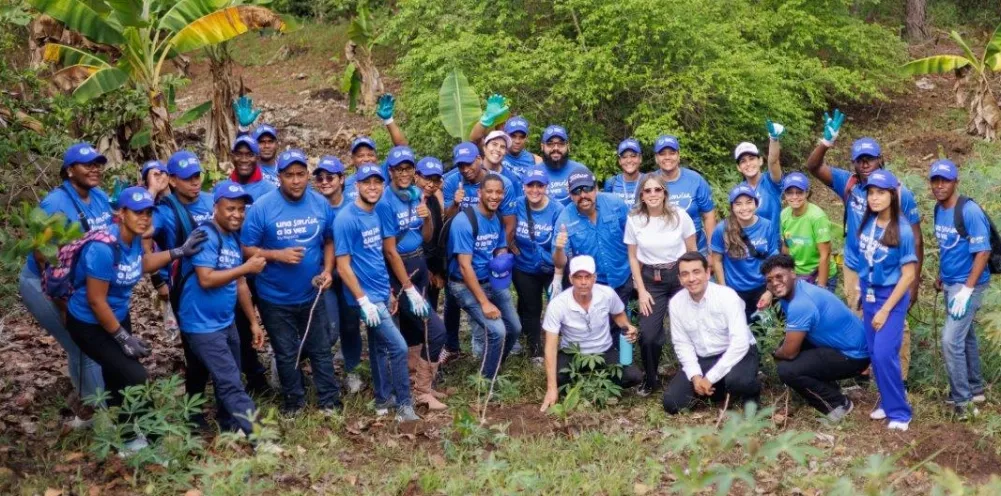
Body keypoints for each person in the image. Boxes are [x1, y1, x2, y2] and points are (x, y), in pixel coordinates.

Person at [66, 187, 203, 453]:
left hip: (116, 315)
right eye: (137, 212)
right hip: (88, 323)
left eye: (148, 212)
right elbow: (96, 300)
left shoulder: (134, 240)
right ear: (120, 213)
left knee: (117, 377)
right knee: (135, 376)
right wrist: (122, 337)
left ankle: (128, 439)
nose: (144, 218)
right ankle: (156, 440)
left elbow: (142, 263)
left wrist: (179, 251)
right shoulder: (103, 248)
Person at [805, 110, 922, 381]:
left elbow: (916, 238)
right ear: (854, 164)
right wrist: (825, 142)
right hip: (855, 266)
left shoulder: (899, 193)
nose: (865, 164)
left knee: (896, 320)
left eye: (870, 159)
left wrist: (913, 281)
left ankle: (899, 377)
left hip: (890, 269)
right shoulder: (849, 184)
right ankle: (869, 370)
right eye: (860, 160)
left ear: (881, 159)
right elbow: (812, 167)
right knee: (862, 316)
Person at [241, 149, 341, 415]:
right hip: (274, 297)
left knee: (321, 349)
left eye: (300, 174)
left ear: (308, 175)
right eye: (289, 175)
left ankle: (329, 400)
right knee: (285, 352)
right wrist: (276, 255)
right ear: (279, 176)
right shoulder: (263, 207)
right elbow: (246, 248)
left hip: (312, 293)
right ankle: (294, 402)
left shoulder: (320, 204)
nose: (295, 181)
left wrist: (328, 270)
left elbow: (329, 240)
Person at [18, 142, 112, 426]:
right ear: (70, 171)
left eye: (98, 163)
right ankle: (103, 421)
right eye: (87, 164)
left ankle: (87, 409)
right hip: (45, 285)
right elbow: (43, 256)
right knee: (82, 345)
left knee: (84, 346)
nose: (94, 169)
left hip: (77, 283)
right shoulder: (54, 204)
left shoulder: (99, 196)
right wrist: (61, 305)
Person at [176, 182, 267, 436]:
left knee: (227, 375)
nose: (237, 214)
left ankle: (229, 425)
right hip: (202, 324)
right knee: (230, 381)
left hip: (225, 321)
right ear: (215, 207)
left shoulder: (232, 237)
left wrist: (252, 321)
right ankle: (258, 434)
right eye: (230, 208)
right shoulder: (206, 236)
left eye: (240, 209)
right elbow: (206, 278)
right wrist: (247, 268)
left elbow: (240, 285)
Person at [335, 163, 421, 422]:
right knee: (399, 347)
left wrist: (390, 292)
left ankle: (383, 399)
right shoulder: (346, 219)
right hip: (366, 298)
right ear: (357, 186)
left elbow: (378, 256)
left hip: (382, 291)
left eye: (377, 182)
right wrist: (363, 301)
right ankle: (405, 406)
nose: (372, 187)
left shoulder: (376, 213)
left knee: (378, 348)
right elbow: (343, 265)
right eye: (366, 183)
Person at [376, 146, 448, 410]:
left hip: (418, 263)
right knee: (436, 330)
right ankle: (422, 390)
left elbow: (426, 237)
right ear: (391, 172)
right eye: (399, 169)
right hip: (401, 272)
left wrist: (426, 218)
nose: (404, 174)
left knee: (415, 330)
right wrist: (406, 287)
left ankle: (413, 383)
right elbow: (390, 250)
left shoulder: (416, 195)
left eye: (408, 169)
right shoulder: (385, 203)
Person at [763, 254, 869, 422]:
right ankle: (829, 388)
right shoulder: (795, 290)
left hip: (854, 356)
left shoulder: (800, 303)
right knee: (788, 348)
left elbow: (789, 353)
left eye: (779, 276)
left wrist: (777, 353)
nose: (774, 282)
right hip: (844, 346)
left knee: (787, 368)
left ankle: (837, 404)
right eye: (769, 280)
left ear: (792, 273)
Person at [441, 142, 518, 358]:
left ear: (479, 159)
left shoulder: (501, 184)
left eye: (469, 164)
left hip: (487, 259)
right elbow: (447, 220)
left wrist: (500, 258)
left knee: (504, 323)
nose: (465, 169)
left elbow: (507, 223)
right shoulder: (452, 182)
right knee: (454, 304)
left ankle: (491, 358)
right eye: (461, 166)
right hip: (460, 256)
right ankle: (459, 350)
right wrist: (455, 204)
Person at [539, 255, 643, 412]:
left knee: (634, 376)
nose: (583, 282)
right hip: (573, 354)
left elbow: (618, 314)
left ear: (594, 278)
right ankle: (591, 383)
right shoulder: (558, 304)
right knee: (558, 378)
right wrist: (551, 388)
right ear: (570, 278)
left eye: (587, 277)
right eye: (578, 277)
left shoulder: (607, 294)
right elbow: (551, 347)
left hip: (604, 351)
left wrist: (627, 326)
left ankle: (597, 383)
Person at [625, 173, 697, 396]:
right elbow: (633, 257)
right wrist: (642, 290)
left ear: (665, 193)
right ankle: (651, 377)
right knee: (648, 334)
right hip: (650, 280)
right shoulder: (635, 219)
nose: (653, 194)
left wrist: (691, 282)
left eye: (658, 190)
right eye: (648, 191)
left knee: (691, 325)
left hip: (679, 276)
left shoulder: (679, 216)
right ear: (642, 196)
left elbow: (692, 251)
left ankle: (694, 373)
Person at [929, 159, 991, 417]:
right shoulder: (938, 209)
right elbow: (950, 248)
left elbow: (983, 251)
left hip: (969, 285)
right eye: (935, 180)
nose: (940, 185)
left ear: (956, 182)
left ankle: (962, 402)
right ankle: (976, 389)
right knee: (965, 337)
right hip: (951, 283)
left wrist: (966, 290)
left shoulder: (969, 211)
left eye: (945, 180)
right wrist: (943, 277)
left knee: (950, 340)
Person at [663, 251, 760, 414]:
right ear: (680, 279)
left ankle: (750, 389)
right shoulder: (676, 303)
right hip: (705, 357)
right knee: (672, 403)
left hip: (738, 353)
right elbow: (682, 343)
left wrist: (710, 378)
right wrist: (695, 377)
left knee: (739, 382)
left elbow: (740, 342)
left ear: (708, 273)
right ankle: (720, 388)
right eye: (685, 274)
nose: (691, 279)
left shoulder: (727, 296)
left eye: (696, 272)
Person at [857, 170, 916, 431]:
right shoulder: (868, 223)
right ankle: (887, 402)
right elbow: (865, 259)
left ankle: (901, 412)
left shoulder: (902, 229)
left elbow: (909, 275)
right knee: (873, 352)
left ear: (892, 195)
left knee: (883, 354)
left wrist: (885, 310)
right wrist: (862, 288)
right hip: (869, 292)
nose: (875, 198)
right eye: (871, 193)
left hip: (890, 297)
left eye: (881, 193)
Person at [447, 173, 522, 380]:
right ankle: (486, 381)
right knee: (497, 331)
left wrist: (503, 260)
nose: (494, 196)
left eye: (499, 192)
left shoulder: (497, 218)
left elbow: (498, 249)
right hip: (464, 285)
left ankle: (493, 366)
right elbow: (464, 266)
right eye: (489, 191)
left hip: (490, 279)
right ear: (480, 193)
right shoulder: (464, 221)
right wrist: (485, 303)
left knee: (514, 328)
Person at [552, 167, 633, 338]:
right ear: (570, 194)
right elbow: (560, 263)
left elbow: (633, 239)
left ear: (596, 188)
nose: (583, 196)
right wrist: (559, 248)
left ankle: (623, 360)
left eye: (587, 189)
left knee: (623, 325)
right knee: (599, 328)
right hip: (594, 284)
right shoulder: (565, 219)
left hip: (622, 276)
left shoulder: (616, 204)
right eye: (576, 191)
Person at [312, 155, 363, 394]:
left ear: (342, 179)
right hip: (325, 275)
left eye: (330, 177)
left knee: (351, 324)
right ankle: (301, 362)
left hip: (350, 274)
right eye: (320, 178)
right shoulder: (313, 207)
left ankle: (352, 371)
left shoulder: (353, 206)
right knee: (330, 329)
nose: (324, 182)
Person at [512, 166, 564, 361]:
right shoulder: (517, 205)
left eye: (539, 186)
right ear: (524, 186)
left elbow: (561, 245)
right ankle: (534, 351)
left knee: (556, 307)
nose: (535, 190)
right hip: (524, 267)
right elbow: (504, 224)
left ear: (546, 187)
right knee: (530, 309)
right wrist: (508, 243)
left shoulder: (557, 209)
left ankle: (560, 348)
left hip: (551, 267)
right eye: (530, 185)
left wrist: (558, 276)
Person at [709, 185, 779, 324]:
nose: (744, 208)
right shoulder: (722, 229)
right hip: (735, 290)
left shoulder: (767, 226)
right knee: (741, 331)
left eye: (749, 202)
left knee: (766, 330)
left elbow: (774, 260)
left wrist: (770, 291)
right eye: (738, 204)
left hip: (762, 287)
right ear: (732, 207)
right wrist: (724, 291)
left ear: (756, 203)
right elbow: (717, 261)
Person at [651, 135, 716, 254]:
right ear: (656, 158)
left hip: (697, 248)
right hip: (663, 253)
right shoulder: (650, 183)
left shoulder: (696, 180)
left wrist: (711, 249)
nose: (667, 157)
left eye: (672, 153)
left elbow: (709, 215)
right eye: (662, 154)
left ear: (678, 155)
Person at [778, 172, 837, 292]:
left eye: (799, 192)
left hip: (819, 274)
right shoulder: (784, 214)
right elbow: (786, 246)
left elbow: (825, 255)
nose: (794, 197)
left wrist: (821, 287)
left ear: (807, 193)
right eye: (790, 192)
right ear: (785, 194)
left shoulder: (817, 217)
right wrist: (788, 272)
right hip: (798, 274)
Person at [733, 127, 784, 240]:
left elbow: (774, 161)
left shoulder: (772, 181)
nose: (748, 164)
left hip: (774, 244)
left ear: (760, 160)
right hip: (751, 247)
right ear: (739, 168)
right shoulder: (738, 191)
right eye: (743, 161)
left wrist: (774, 139)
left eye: (752, 158)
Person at [415, 157, 447, 314]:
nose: (430, 184)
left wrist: (438, 271)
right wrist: (424, 269)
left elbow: (437, 238)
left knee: (431, 311)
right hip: (414, 267)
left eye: (435, 180)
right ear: (416, 176)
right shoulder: (409, 201)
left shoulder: (433, 200)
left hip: (432, 265)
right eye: (427, 178)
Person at [540, 125, 587, 206]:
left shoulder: (580, 170)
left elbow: (593, 202)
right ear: (542, 146)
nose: (556, 148)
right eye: (550, 144)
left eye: (561, 143)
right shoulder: (534, 173)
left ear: (568, 146)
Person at [229, 135, 278, 201]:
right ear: (232, 157)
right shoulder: (221, 187)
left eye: (250, 155)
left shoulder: (270, 191)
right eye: (238, 154)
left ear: (257, 158)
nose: (244, 160)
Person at [604, 138, 643, 206]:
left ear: (640, 158)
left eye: (633, 156)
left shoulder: (649, 180)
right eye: (624, 157)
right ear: (619, 161)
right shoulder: (611, 183)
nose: (629, 160)